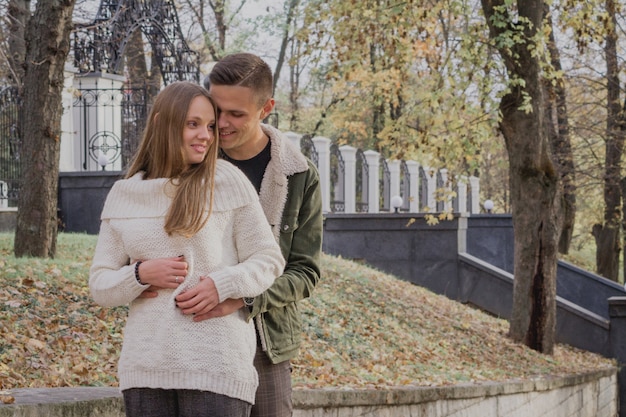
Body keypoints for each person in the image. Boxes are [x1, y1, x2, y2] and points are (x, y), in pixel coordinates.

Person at [89, 81, 285, 417]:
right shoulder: (125, 194)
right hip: (146, 368)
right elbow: (100, 284)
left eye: (209, 126)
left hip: (216, 366)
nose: (206, 136)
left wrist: (223, 284)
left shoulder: (227, 181)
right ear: (163, 122)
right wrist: (139, 274)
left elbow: (268, 259)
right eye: (193, 124)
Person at [200, 52, 323, 417]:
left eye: (236, 114)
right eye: (215, 109)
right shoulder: (189, 161)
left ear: (266, 108)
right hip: (198, 332)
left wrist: (244, 298)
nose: (221, 123)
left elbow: (305, 271)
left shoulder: (300, 175)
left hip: (265, 338)